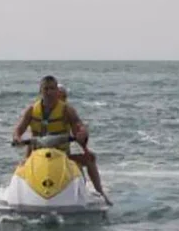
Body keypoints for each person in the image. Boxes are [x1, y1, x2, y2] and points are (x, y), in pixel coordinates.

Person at [11, 75, 112, 205]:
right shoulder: (31, 110)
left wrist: (82, 132)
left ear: (56, 91)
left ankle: (101, 193)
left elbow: (78, 124)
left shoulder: (66, 110)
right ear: (40, 91)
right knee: (21, 166)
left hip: (63, 156)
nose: (49, 92)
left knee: (90, 158)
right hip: (37, 157)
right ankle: (20, 192)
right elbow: (18, 129)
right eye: (46, 89)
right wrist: (17, 138)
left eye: (52, 89)